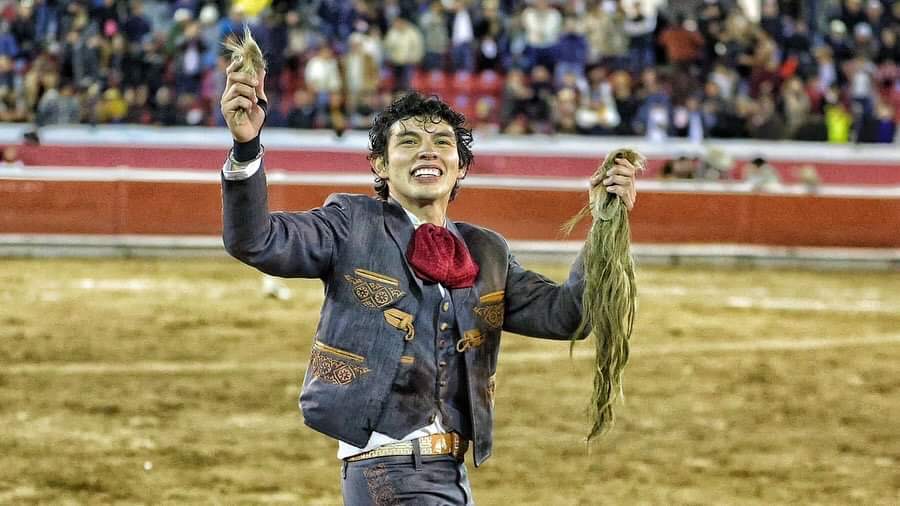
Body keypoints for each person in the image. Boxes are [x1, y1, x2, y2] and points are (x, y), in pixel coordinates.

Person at [219, 59, 638, 504]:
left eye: (442, 142)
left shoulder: (486, 251)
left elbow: (567, 315)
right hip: (385, 468)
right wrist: (246, 148)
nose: (428, 150)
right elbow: (257, 240)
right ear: (380, 165)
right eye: (409, 141)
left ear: (460, 167)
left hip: (450, 475)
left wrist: (606, 224)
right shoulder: (350, 223)